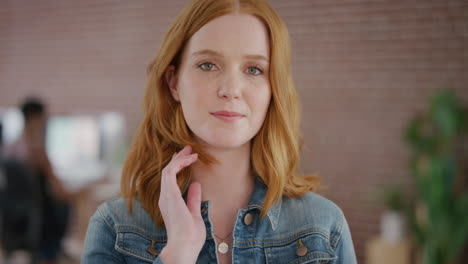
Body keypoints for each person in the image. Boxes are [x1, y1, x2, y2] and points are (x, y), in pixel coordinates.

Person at [82, 0, 357, 263]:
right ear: (174, 82)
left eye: (253, 69)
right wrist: (177, 255)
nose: (231, 89)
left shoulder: (324, 229)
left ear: (274, 89)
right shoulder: (115, 228)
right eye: (208, 65)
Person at [3, 98, 72, 264]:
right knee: (72, 200)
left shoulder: (9, 148)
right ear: (36, 118)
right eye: (44, 118)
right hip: (42, 219)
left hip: (14, 216)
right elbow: (59, 190)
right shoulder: (37, 151)